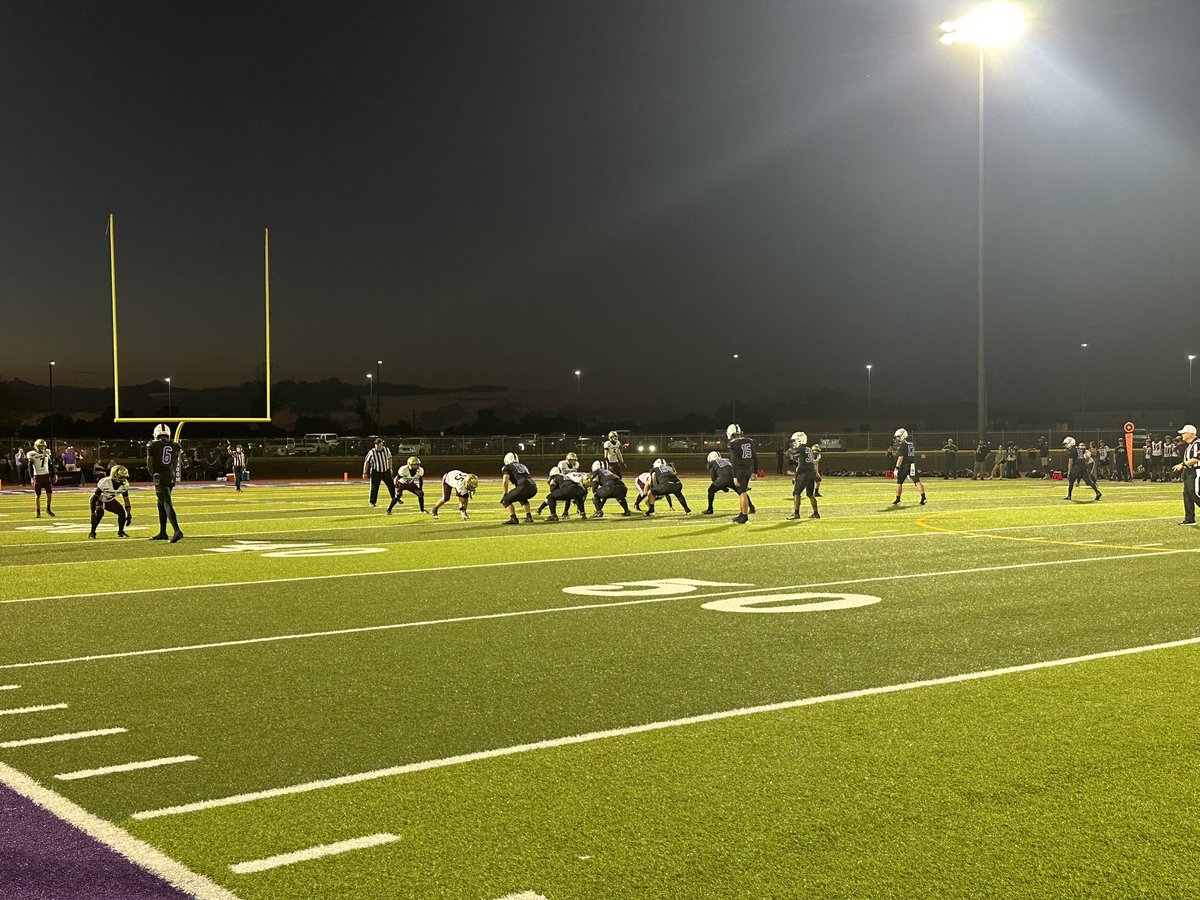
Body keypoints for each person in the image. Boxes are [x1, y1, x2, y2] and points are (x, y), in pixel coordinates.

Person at [146, 423, 184, 541]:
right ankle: (163, 532)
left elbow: (150, 462)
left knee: (166, 502)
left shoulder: (152, 445)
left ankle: (177, 530)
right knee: (161, 503)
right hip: (170, 474)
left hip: (160, 475)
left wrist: (153, 473)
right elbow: (175, 462)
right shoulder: (175, 445)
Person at [89, 464, 132, 539]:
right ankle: (92, 532)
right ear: (115, 475)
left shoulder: (124, 485)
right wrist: (93, 513)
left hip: (109, 500)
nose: (124, 479)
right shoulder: (105, 482)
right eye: (122, 477)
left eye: (124, 477)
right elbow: (94, 498)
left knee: (121, 512)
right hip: (99, 499)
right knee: (99, 512)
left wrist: (128, 514)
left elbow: (126, 499)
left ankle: (121, 532)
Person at [726, 423, 757, 525]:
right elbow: (755, 457)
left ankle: (744, 516)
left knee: (742, 492)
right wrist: (755, 471)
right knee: (742, 492)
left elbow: (734, 461)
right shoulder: (749, 441)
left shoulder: (733, 444)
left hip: (740, 470)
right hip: (749, 469)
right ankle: (741, 514)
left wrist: (734, 476)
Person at [785, 431, 820, 520]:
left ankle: (796, 513)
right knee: (810, 494)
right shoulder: (808, 449)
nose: (793, 443)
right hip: (811, 472)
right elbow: (812, 461)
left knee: (796, 493)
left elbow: (801, 464)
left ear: (799, 440)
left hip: (804, 473)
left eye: (794, 440)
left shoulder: (800, 449)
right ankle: (816, 513)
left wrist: (796, 475)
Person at [891, 428, 927, 506]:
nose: (897, 438)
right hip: (912, 465)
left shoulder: (902, 445)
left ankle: (898, 499)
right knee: (917, 481)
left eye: (898, 436)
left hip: (905, 466)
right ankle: (923, 498)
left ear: (903, 436)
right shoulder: (910, 444)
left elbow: (901, 457)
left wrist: (896, 468)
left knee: (899, 482)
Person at [500, 452, 537, 525]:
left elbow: (505, 481)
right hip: (533, 487)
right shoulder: (523, 466)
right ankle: (529, 517)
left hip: (524, 486)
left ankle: (513, 518)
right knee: (522, 497)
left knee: (505, 500)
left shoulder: (507, 467)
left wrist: (505, 493)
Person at [1171, 425, 1199, 524]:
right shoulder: (1190, 445)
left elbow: (1196, 458)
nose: (1182, 435)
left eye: (1184, 433)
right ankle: (1189, 518)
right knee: (1187, 495)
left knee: (1195, 493)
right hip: (1189, 471)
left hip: (1196, 471)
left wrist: (1182, 465)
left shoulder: (1197, 443)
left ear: (1190, 434)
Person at [1062, 436, 1101, 502]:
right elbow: (1084, 458)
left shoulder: (1072, 450)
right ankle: (1098, 492)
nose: (1066, 445)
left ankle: (1069, 496)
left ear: (1070, 443)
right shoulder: (1079, 449)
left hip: (1077, 466)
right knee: (1089, 481)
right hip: (1083, 466)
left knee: (1071, 480)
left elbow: (1070, 462)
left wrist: (1069, 472)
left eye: (1066, 444)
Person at [703, 450, 740, 516]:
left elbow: (713, 478)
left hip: (722, 478)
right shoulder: (727, 460)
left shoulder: (712, 463)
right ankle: (751, 507)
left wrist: (723, 487)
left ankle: (710, 509)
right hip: (733, 478)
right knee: (741, 492)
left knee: (711, 490)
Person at [362, 438, 395, 508]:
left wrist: (390, 468)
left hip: (385, 471)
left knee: (391, 485)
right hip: (376, 471)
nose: (377, 447)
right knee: (374, 487)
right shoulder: (372, 452)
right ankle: (372, 502)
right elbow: (366, 462)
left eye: (379, 445)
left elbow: (390, 458)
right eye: (376, 445)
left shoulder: (386, 450)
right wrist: (365, 472)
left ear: (382, 444)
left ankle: (395, 499)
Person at [27, 439, 56, 517]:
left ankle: (48, 509)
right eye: (40, 446)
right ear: (36, 446)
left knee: (49, 494)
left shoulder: (47, 452)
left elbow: (50, 464)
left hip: (46, 475)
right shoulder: (32, 454)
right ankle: (38, 511)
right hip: (38, 476)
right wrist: (31, 477)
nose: (42, 448)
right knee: (38, 494)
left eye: (43, 446)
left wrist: (54, 474)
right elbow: (30, 466)